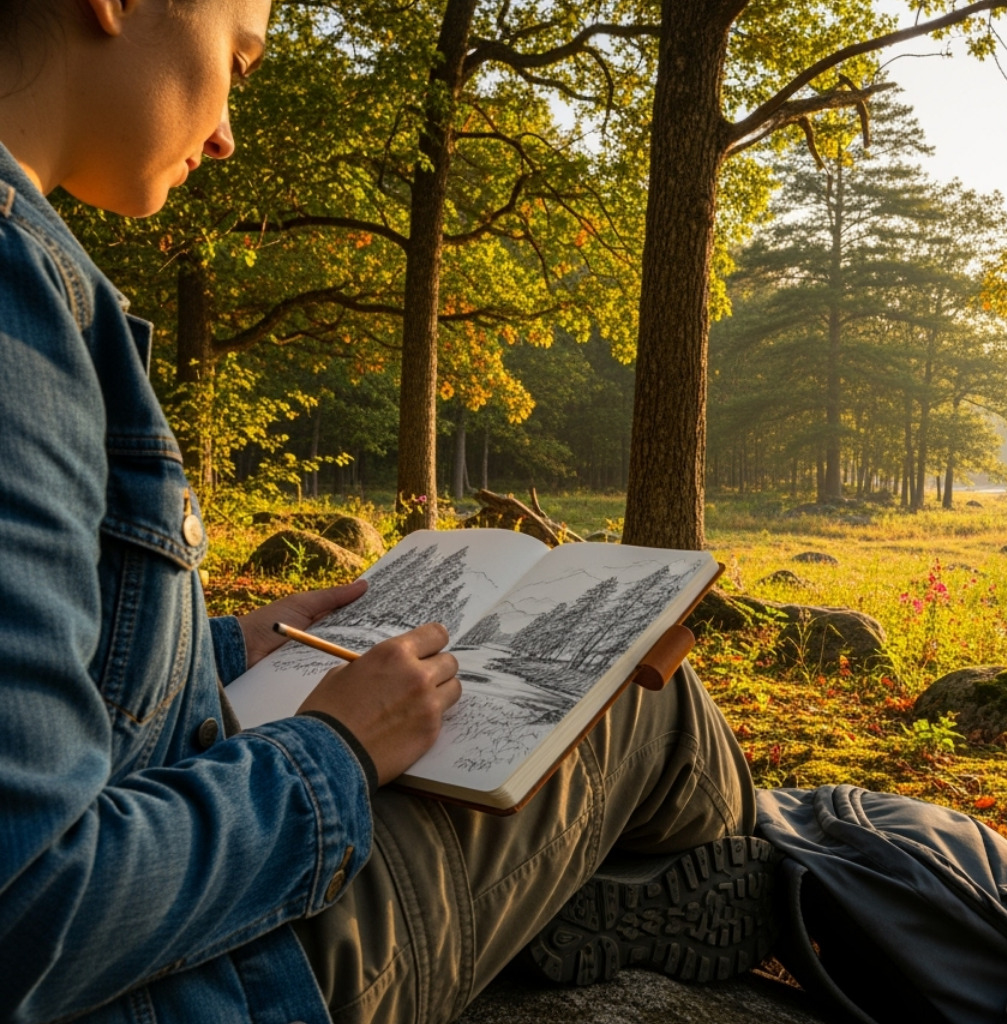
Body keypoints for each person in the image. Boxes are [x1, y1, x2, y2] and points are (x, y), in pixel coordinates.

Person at [0, 3, 762, 1022]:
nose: (227, 133)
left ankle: (679, 884)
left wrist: (219, 652)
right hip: (210, 985)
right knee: (645, 693)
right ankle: (795, 879)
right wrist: (338, 754)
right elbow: (29, 910)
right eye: (240, 58)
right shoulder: (18, 314)